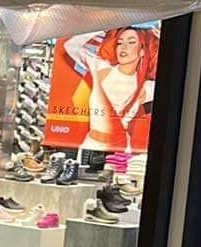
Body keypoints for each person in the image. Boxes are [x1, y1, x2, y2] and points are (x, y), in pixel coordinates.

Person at [64, 25, 158, 166]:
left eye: (131, 42)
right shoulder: (102, 70)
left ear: (143, 51)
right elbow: (71, 46)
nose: (123, 47)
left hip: (119, 152)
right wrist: (104, 25)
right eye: (119, 42)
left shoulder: (145, 87)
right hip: (91, 144)